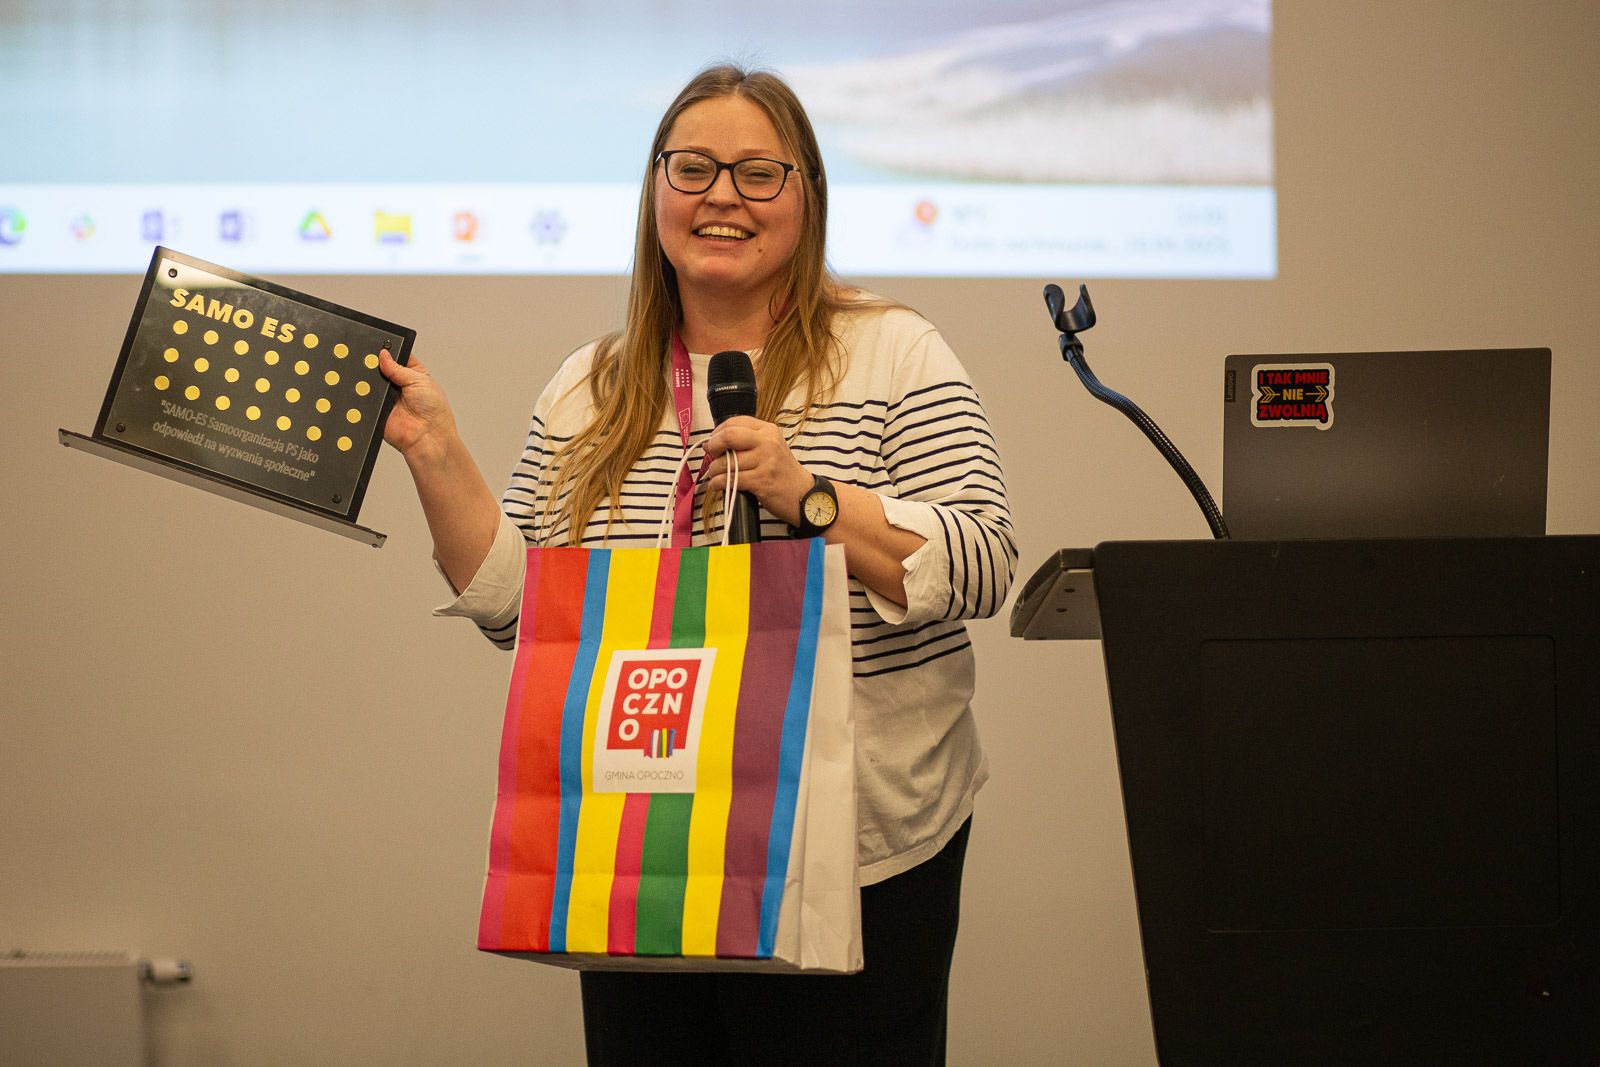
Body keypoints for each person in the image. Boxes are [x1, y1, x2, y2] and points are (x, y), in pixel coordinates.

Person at [378, 63, 1016, 1064]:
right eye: (693, 168)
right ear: (655, 189)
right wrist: (435, 451)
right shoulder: (587, 387)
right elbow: (519, 613)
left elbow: (982, 563)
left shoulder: (894, 351)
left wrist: (811, 497)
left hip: (858, 850)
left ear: (808, 195)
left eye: (759, 172)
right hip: (646, 839)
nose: (723, 196)